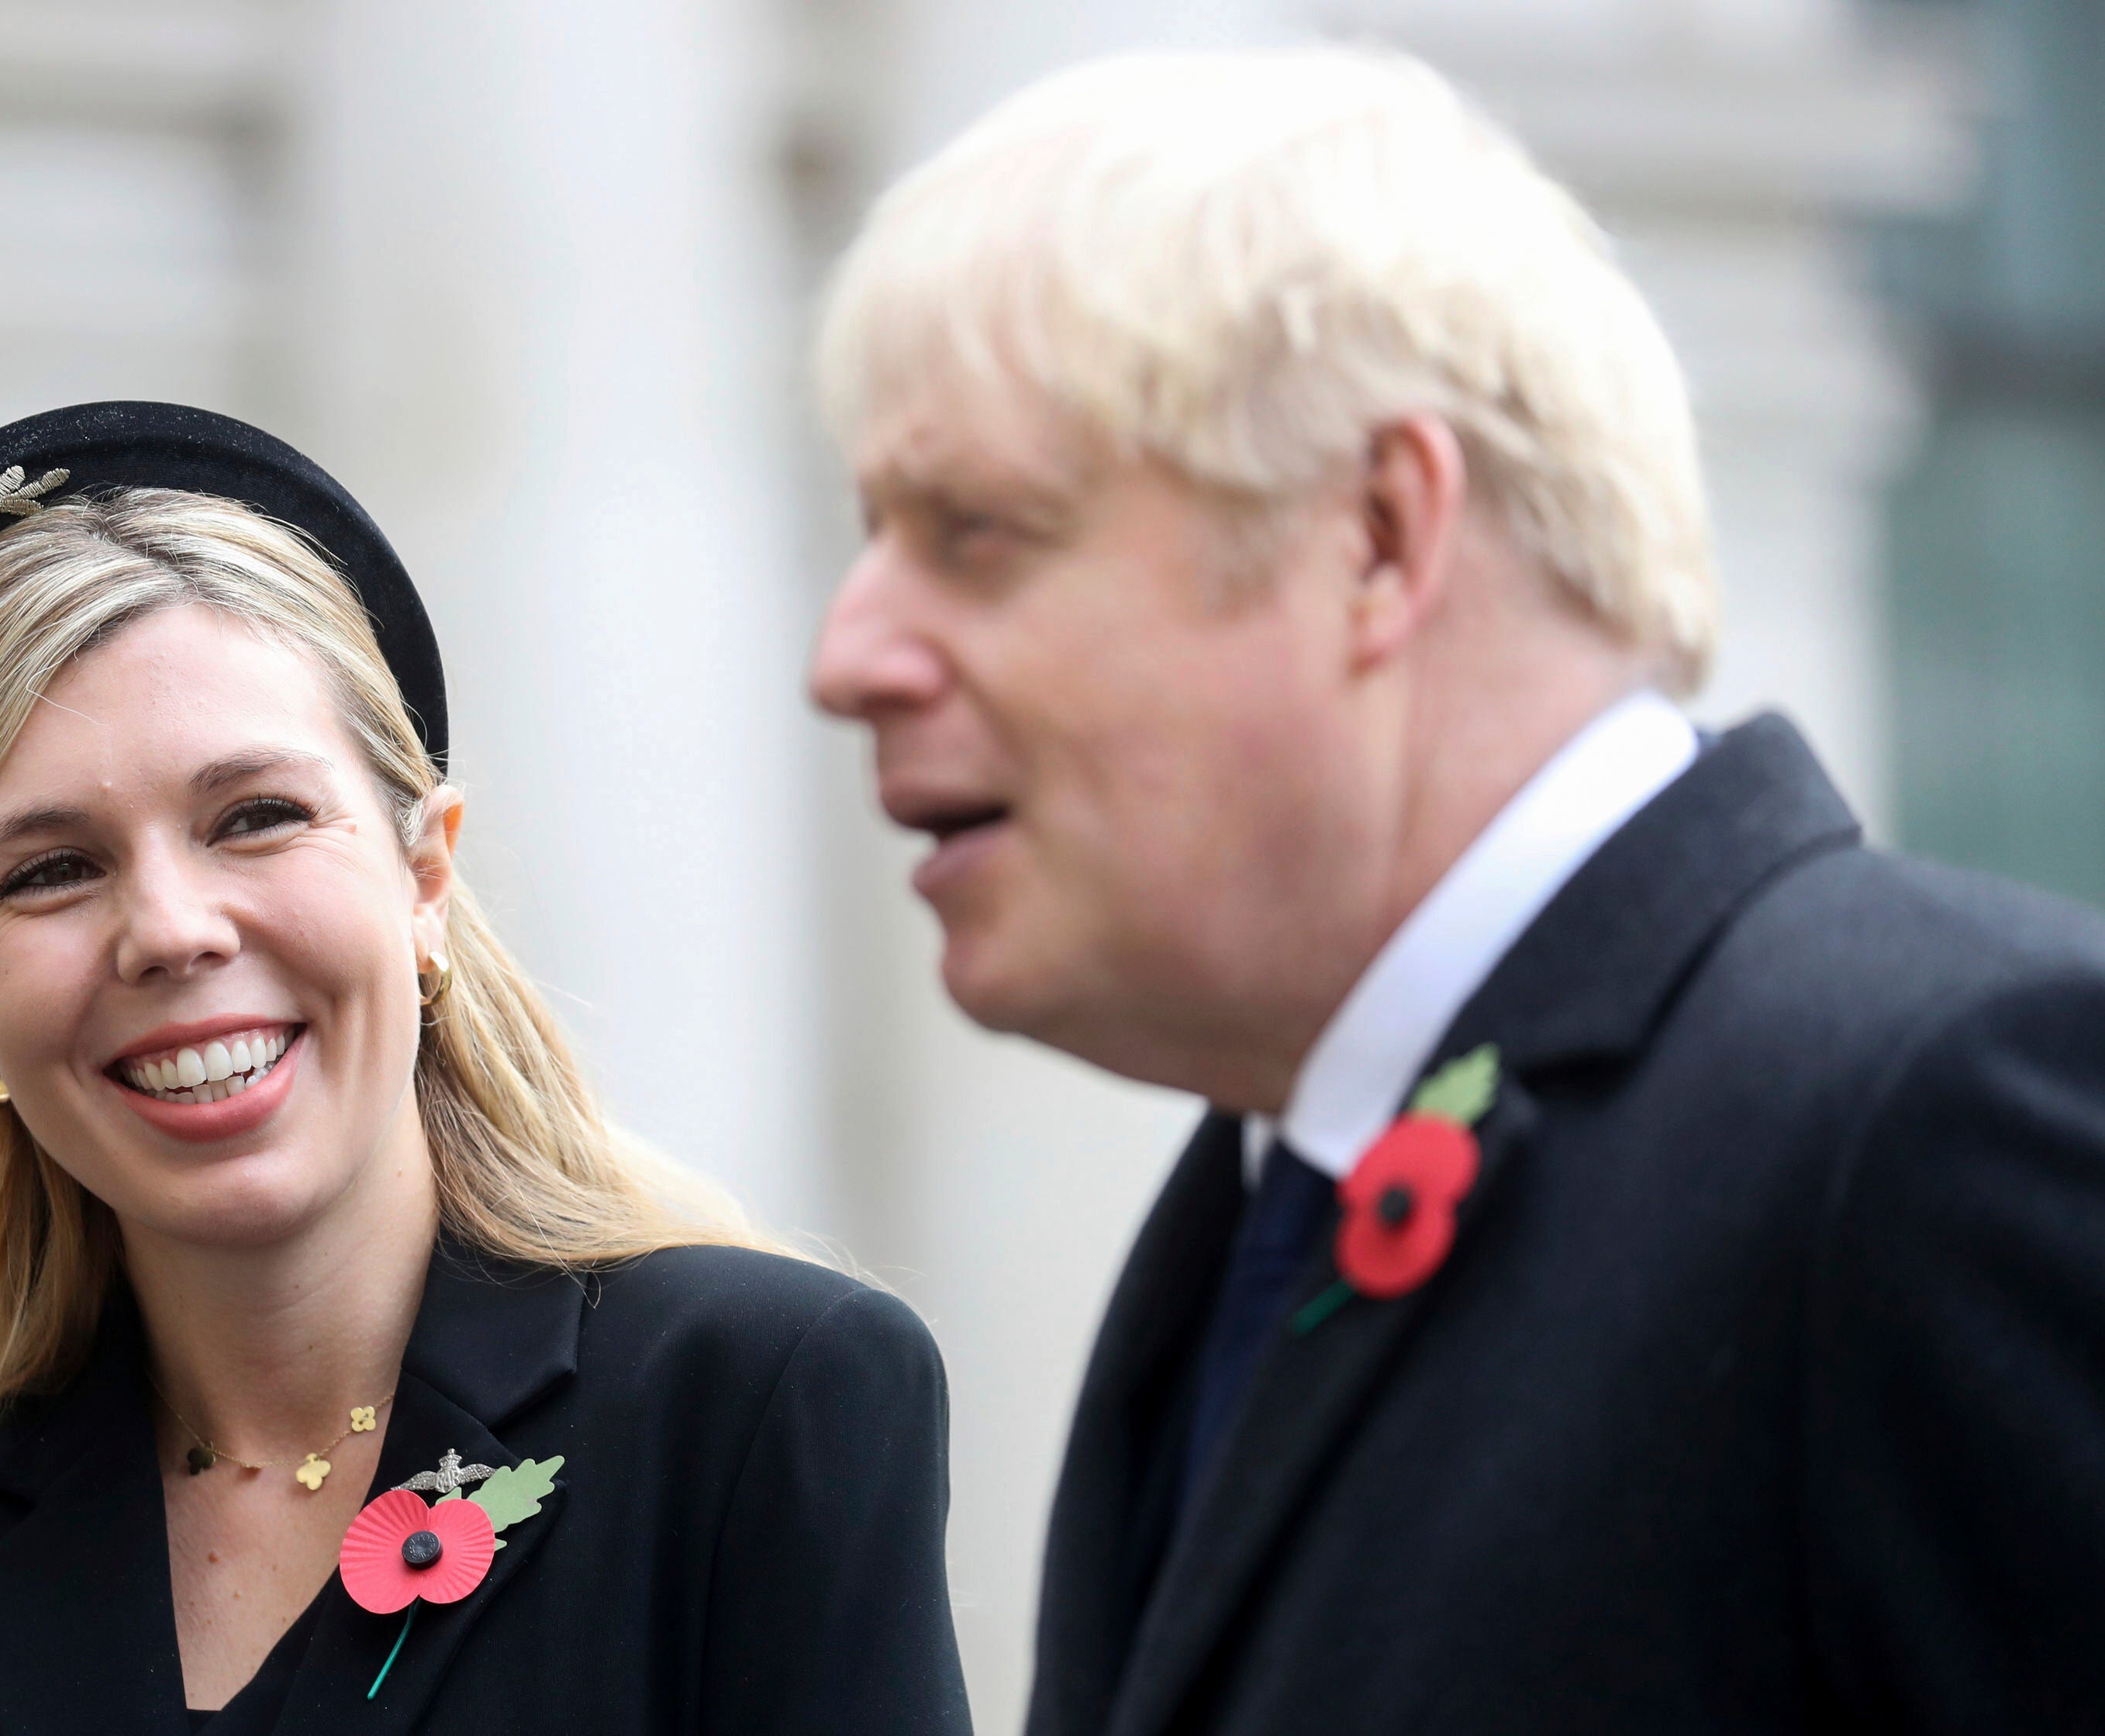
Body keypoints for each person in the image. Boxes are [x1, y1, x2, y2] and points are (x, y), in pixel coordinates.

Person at [810, 48, 2105, 1736]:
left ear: (1377, 534)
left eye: (977, 531)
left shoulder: (1931, 1109)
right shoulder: (1258, 1210)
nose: (851, 656)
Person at [0, 401, 973, 1734]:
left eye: (254, 817)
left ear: (425, 874)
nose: (174, 930)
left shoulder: (755, 1409)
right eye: (51, 870)